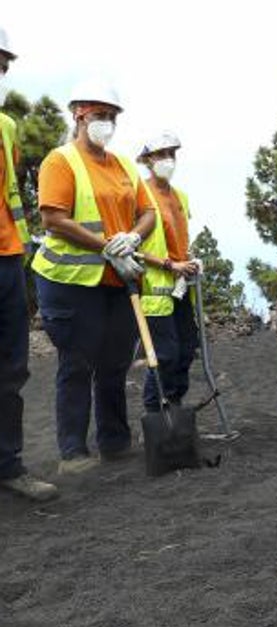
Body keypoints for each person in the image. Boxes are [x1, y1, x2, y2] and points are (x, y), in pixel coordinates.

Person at [30, 81, 154, 474]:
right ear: (79, 115)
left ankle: (115, 442)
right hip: (69, 283)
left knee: (114, 362)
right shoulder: (60, 161)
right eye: (100, 115)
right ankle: (73, 453)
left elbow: (146, 211)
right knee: (78, 362)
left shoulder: (122, 165)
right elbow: (53, 218)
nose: (106, 123)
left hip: (116, 280)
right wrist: (105, 246)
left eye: (111, 116)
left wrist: (133, 236)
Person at [0, 29, 57, 501]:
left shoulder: (6, 127)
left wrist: (20, 245)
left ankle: (8, 464)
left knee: (11, 369)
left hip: (5, 259)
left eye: (1, 66)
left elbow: (13, 191)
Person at [136, 131, 200, 413]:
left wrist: (188, 261)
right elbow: (130, 244)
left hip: (180, 287)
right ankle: (154, 411)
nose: (168, 160)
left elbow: (180, 239)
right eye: (161, 155)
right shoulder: (139, 193)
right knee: (165, 354)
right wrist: (167, 264)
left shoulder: (182, 197)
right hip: (153, 289)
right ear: (148, 160)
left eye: (171, 154)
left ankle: (174, 403)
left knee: (187, 350)